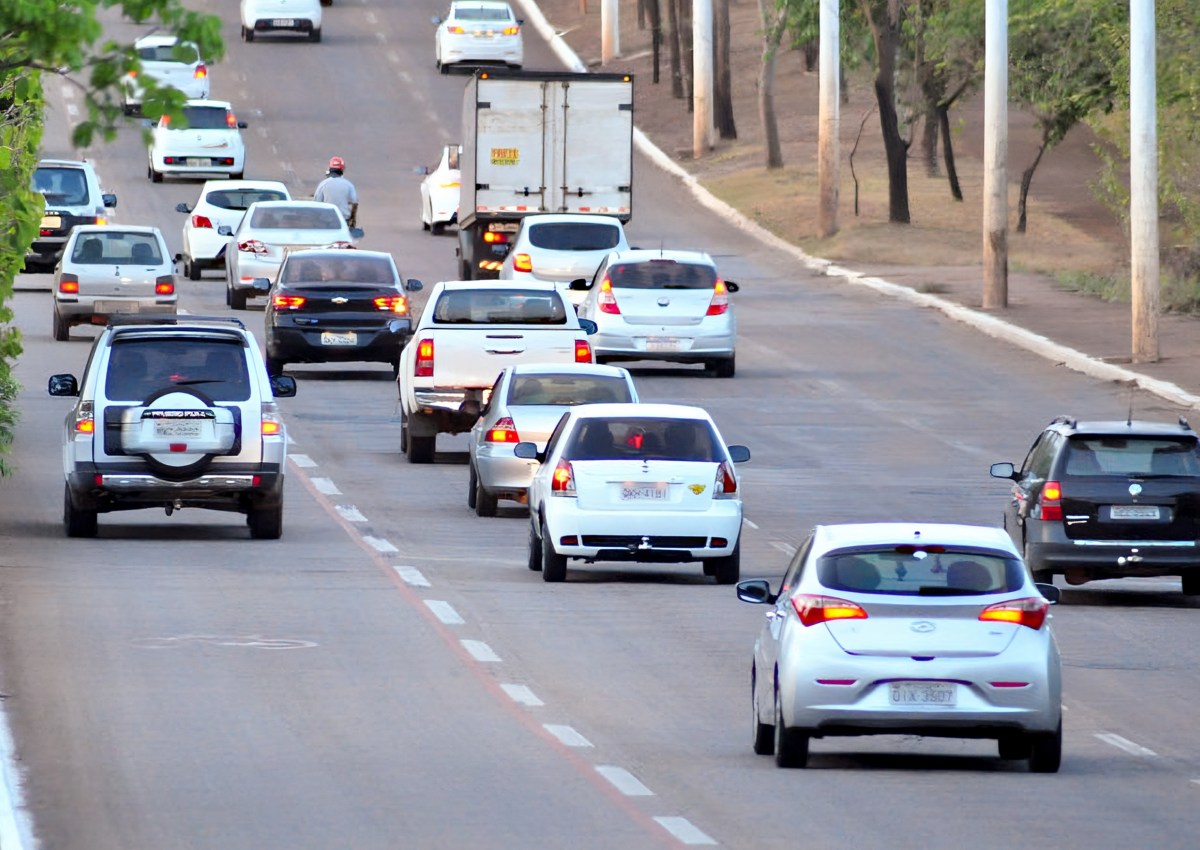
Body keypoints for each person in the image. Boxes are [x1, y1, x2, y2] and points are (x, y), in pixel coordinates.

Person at [313, 156, 359, 228]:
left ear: (330, 169)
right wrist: (353, 220)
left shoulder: (323, 185)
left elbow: (317, 203)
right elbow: (355, 203)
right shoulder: (348, 185)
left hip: (326, 221)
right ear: (342, 170)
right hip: (343, 220)